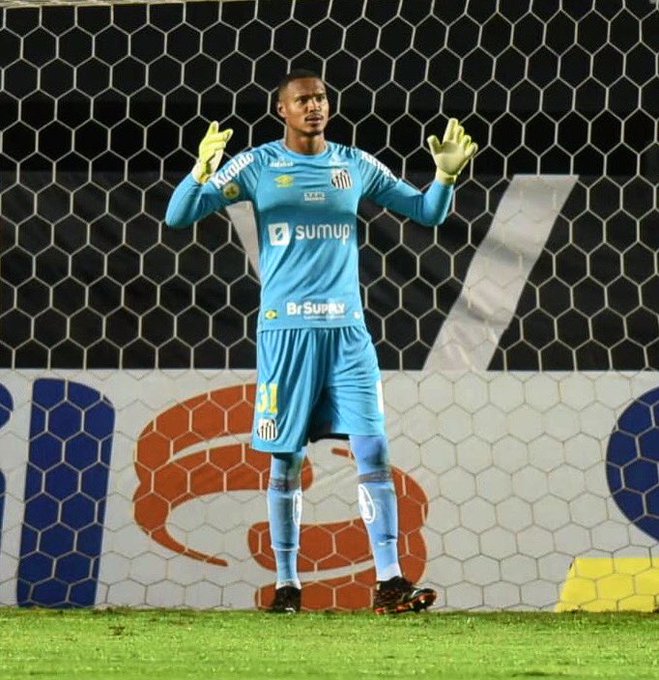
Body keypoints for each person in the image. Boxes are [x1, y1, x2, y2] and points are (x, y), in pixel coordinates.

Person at [165, 69, 477, 614]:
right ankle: (287, 586)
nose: (314, 107)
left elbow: (427, 213)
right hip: (286, 333)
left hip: (349, 335)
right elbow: (179, 216)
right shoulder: (258, 165)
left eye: (321, 99)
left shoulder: (353, 165)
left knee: (373, 449)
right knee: (285, 460)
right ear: (281, 110)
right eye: (302, 100)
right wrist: (200, 173)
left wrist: (445, 178)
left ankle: (390, 582)